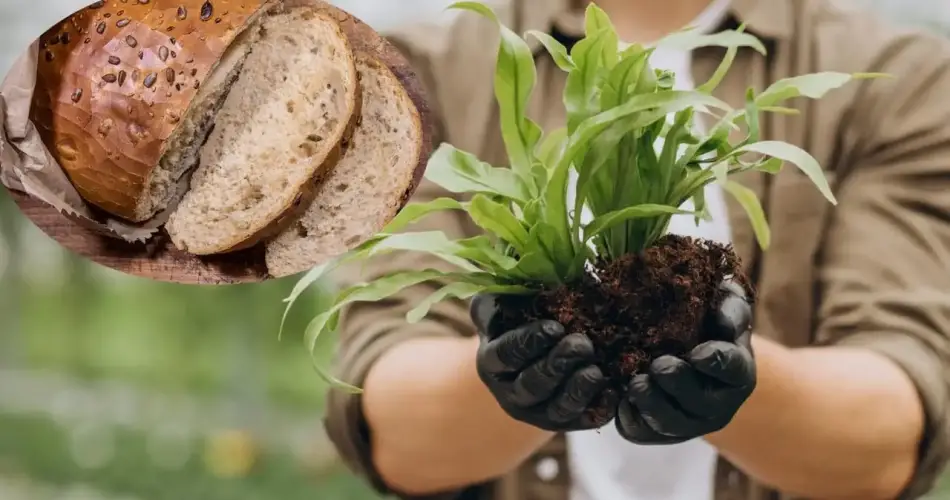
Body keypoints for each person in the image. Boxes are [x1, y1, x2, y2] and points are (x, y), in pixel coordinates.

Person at [323, 0, 950, 498]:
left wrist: (732, 374)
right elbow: (394, 431)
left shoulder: (896, 78)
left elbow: (889, 434)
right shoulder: (428, 71)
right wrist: (512, 371)